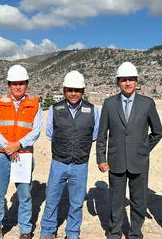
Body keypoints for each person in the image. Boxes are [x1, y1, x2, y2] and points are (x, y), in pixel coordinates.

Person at [96, 61, 162, 239]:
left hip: (139, 161)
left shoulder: (147, 103)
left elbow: (157, 132)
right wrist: (101, 158)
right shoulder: (109, 104)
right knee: (116, 201)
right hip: (115, 161)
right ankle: (115, 232)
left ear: (136, 82)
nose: (128, 83)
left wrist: (144, 148)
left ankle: (135, 233)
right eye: (124, 79)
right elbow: (102, 134)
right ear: (118, 82)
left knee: (138, 201)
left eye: (131, 79)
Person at [40, 71, 100, 239]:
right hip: (59, 162)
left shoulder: (93, 110)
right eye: (70, 90)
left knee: (76, 202)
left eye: (77, 90)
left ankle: (73, 233)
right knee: (51, 199)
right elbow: (50, 133)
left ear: (83, 91)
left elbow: (94, 134)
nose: (74, 93)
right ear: (64, 90)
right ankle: (47, 232)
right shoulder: (55, 109)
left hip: (80, 164)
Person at [0, 64, 42, 239]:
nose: (17, 86)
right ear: (8, 85)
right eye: (14, 83)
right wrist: (8, 147)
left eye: (21, 83)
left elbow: (36, 130)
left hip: (24, 156)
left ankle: (25, 230)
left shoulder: (35, 104)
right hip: (1, 155)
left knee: (24, 194)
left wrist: (18, 145)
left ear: (26, 84)